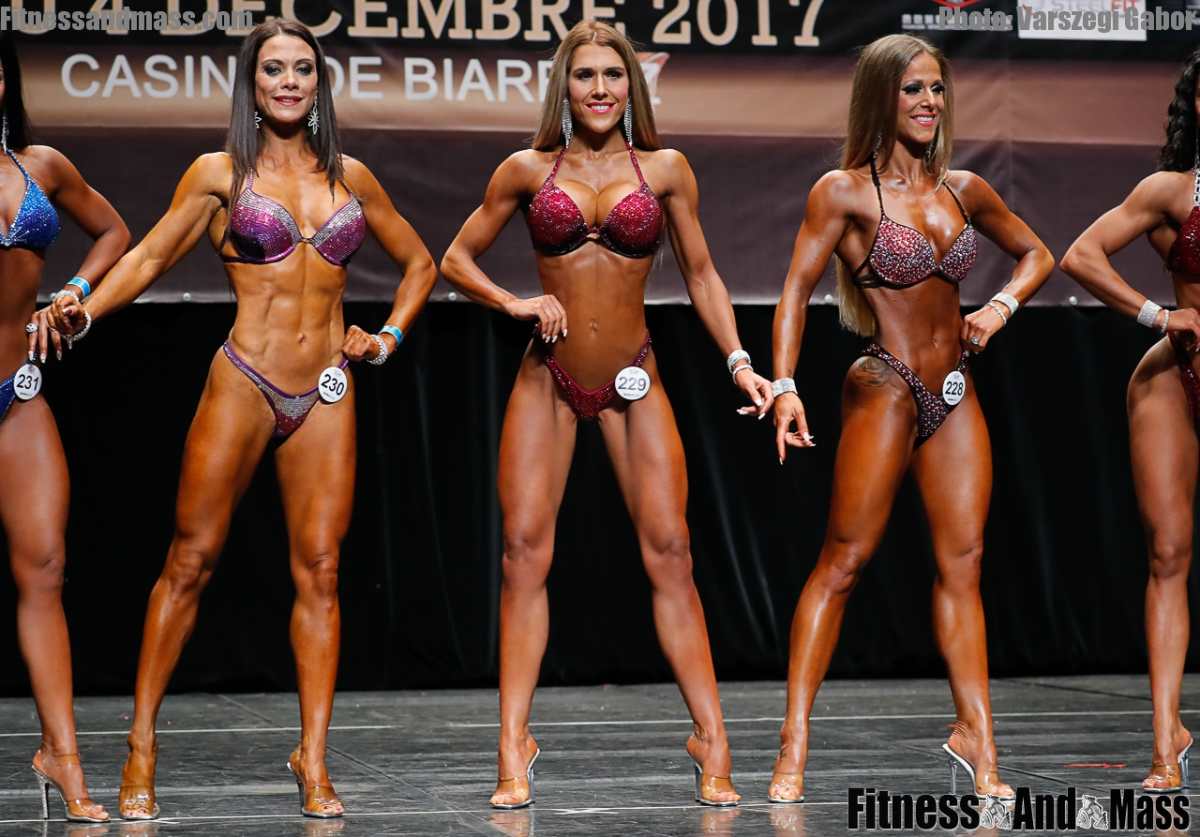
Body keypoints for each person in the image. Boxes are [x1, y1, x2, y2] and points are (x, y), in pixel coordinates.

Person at [51, 19, 437, 819]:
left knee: (322, 571)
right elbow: (148, 255)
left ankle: (314, 757)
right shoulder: (219, 174)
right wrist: (86, 306)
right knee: (190, 561)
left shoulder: (353, 178)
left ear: (318, 83)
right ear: (252, 86)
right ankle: (141, 743)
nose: (289, 81)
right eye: (274, 70)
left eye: (302, 69)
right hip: (246, 380)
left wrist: (387, 337)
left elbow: (421, 263)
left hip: (326, 387)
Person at [440, 18, 772, 810]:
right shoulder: (526, 170)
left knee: (672, 553)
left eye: (613, 75)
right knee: (523, 556)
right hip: (547, 377)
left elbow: (702, 274)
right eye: (585, 75)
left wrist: (740, 361)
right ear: (565, 85)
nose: (599, 89)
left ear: (633, 85)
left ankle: (712, 739)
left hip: (634, 376)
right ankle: (512, 744)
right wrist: (515, 301)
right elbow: (453, 257)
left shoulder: (665, 170)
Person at [769, 33, 1053, 802]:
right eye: (913, 89)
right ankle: (794, 739)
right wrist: (785, 384)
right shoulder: (844, 192)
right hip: (885, 383)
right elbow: (794, 288)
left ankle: (979, 741)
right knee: (844, 561)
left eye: (937, 88)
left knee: (964, 566)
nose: (929, 102)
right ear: (880, 97)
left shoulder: (964, 189)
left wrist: (999, 306)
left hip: (954, 390)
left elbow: (1037, 254)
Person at [1060, 46, 1200, 794]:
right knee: (1168, 553)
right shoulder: (1172, 190)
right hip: (1175, 379)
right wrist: (1159, 314)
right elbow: (1081, 255)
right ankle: (1164, 740)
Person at [0, 31, 130, 824]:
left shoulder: (40, 167)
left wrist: (74, 291)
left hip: (17, 395)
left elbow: (113, 232)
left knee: (46, 567)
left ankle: (63, 756)